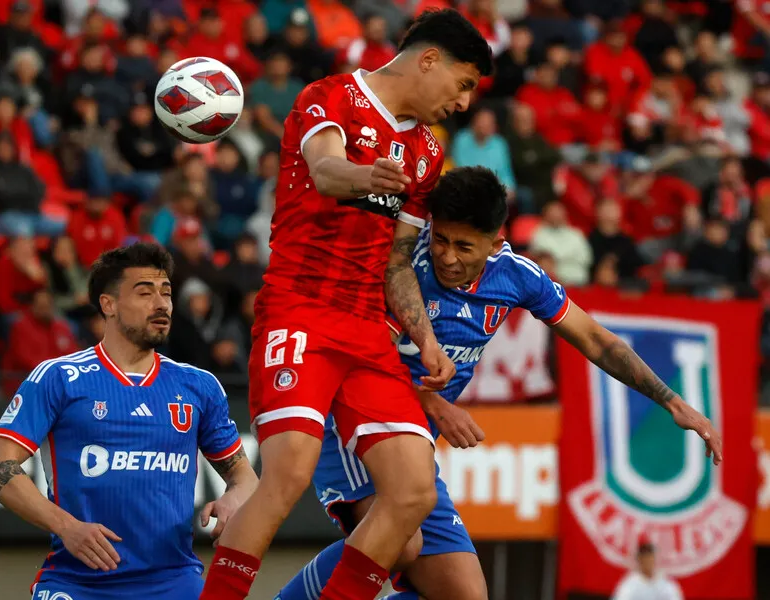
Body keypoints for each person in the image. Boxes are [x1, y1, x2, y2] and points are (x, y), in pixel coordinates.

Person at [276, 167, 721, 600]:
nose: (447, 256)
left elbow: (596, 340)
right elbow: (359, 360)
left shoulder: (517, 277)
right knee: (401, 544)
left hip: (411, 449)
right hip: (355, 430)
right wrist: (432, 402)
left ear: (496, 242)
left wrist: (672, 402)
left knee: (464, 594)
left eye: (464, 246)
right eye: (442, 240)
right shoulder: (404, 270)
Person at [199, 9, 494, 600]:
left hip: (366, 330)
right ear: (429, 59)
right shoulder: (331, 94)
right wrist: (367, 176)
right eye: (463, 84)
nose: (463, 103)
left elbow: (395, 264)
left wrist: (428, 340)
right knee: (286, 475)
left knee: (413, 492)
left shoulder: (425, 155)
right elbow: (328, 171)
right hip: (299, 309)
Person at [0, 242, 258, 600]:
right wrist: (68, 527)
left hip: (174, 581)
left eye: (166, 293)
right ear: (108, 305)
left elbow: (245, 477)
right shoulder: (59, 378)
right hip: (77, 582)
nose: (161, 304)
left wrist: (236, 496)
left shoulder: (198, 385)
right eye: (144, 293)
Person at [612, 537, 684, 600]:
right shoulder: (629, 584)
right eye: (645, 557)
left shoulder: (665, 581)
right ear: (639, 559)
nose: (648, 560)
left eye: (650, 556)